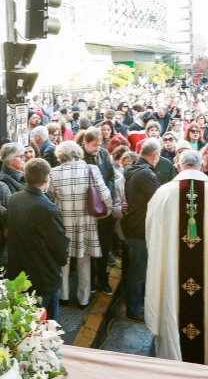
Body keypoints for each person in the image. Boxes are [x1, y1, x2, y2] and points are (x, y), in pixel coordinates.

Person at [145, 150, 208, 368]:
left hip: (173, 270)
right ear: (202, 166)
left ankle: (175, 365)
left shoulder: (162, 193)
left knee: (174, 303)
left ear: (178, 165)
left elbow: (152, 231)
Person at [48, 141, 112, 309]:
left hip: (63, 222)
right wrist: (107, 211)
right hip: (86, 220)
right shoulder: (92, 169)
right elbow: (105, 194)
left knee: (64, 260)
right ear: (78, 153)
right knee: (84, 260)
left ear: (60, 156)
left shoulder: (53, 173)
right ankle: (83, 299)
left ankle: (64, 296)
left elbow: (49, 197)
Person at [7, 158, 70, 322]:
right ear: (47, 178)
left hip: (18, 275)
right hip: (43, 278)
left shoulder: (15, 198)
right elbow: (59, 246)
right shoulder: (47, 209)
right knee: (46, 326)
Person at [122, 138, 162, 322]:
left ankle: (133, 303)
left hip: (132, 224)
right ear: (155, 155)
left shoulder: (134, 169)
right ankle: (134, 309)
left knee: (133, 269)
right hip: (140, 227)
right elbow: (159, 198)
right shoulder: (145, 174)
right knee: (137, 271)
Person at [80, 128, 117, 296]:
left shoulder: (103, 154)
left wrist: (106, 193)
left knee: (103, 246)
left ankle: (103, 278)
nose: (97, 148)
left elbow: (110, 176)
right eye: (94, 145)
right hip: (86, 210)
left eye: (100, 144)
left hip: (103, 208)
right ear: (85, 143)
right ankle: (91, 279)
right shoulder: (78, 156)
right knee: (88, 248)